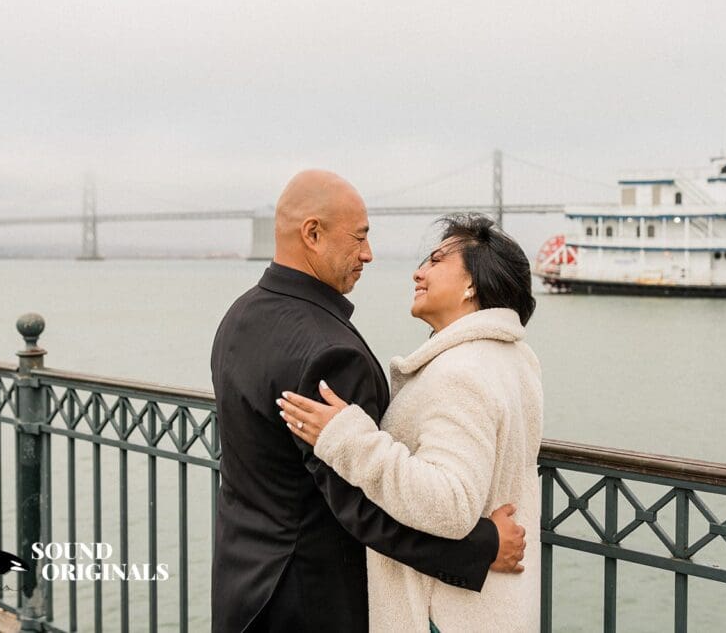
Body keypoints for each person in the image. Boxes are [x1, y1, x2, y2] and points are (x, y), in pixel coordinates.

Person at [210, 172, 527, 632]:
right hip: (309, 603)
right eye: (359, 238)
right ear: (312, 234)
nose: (368, 254)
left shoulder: (239, 316)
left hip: (242, 585)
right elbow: (361, 506)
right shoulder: (329, 353)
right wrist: (481, 546)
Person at [279, 212, 543, 632]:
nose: (418, 273)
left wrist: (346, 438)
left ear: (472, 284)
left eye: (436, 261)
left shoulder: (463, 372)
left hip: (442, 614)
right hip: (489, 607)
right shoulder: (511, 359)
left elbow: (450, 503)